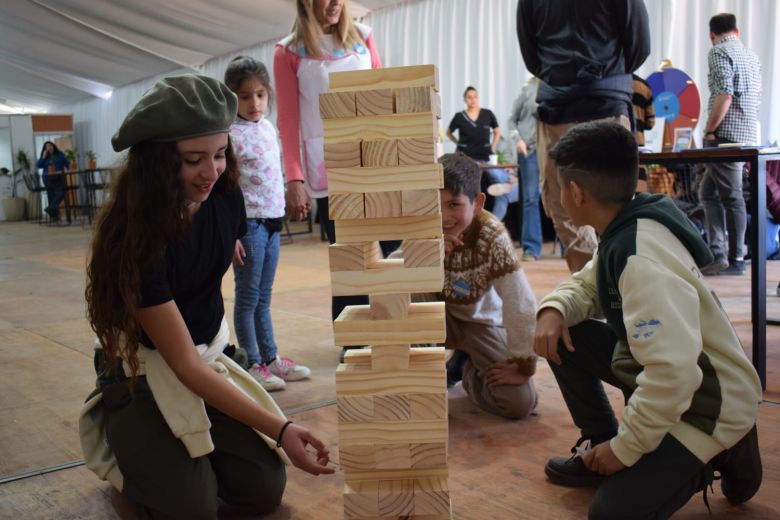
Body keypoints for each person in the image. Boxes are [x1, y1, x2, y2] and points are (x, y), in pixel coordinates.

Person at [79, 74, 333, 519]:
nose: (211, 171)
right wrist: (283, 426)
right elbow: (185, 367)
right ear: (157, 163)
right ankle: (127, 458)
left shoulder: (225, 195)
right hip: (147, 372)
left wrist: (228, 242)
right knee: (191, 508)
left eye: (219, 154)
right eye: (193, 159)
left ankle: (181, 459)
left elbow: (224, 237)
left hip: (205, 357)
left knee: (263, 490)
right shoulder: (137, 240)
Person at [534, 121, 762, 519]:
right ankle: (598, 446)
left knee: (610, 514)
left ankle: (727, 441)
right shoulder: (629, 224)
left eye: (555, 185)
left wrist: (626, 451)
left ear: (575, 192)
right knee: (564, 331)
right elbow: (587, 285)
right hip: (682, 378)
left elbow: (673, 377)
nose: (553, 194)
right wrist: (553, 309)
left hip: (707, 401)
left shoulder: (640, 260)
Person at [274, 0, 390, 351]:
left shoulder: (364, 37)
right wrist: (293, 178)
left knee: (391, 255)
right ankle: (354, 345)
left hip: (376, 164)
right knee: (350, 263)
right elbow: (289, 121)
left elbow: (382, 95)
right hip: (329, 172)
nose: (335, 3)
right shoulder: (288, 52)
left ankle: (392, 335)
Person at [516, 0, 650, 273]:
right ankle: (619, 287)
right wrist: (608, 69)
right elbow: (639, 45)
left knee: (564, 206)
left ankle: (593, 291)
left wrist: (561, 73)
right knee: (618, 201)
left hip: (560, 105)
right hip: (606, 100)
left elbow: (531, 56)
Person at [405, 152, 538, 419]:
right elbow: (392, 275)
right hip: (440, 319)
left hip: (482, 323)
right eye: (436, 204)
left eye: (454, 204)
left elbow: (520, 302)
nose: (443, 217)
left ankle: (467, 370)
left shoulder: (492, 236)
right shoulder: (422, 226)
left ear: (477, 204)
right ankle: (420, 378)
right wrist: (425, 257)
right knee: (408, 282)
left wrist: (524, 365)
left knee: (519, 403)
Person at [224, 56, 311, 392]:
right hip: (248, 225)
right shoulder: (229, 135)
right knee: (247, 297)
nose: (254, 103)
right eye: (245, 96)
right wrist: (232, 234)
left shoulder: (268, 128)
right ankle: (253, 364)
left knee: (264, 297)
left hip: (273, 221)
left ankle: (271, 358)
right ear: (232, 98)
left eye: (260, 94)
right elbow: (224, 189)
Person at [699, 13, 762, 276]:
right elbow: (755, 96)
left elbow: (724, 93)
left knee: (731, 196)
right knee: (708, 192)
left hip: (724, 134)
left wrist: (710, 129)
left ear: (712, 34)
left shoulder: (718, 52)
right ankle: (719, 254)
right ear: (737, 30)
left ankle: (735, 258)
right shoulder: (751, 56)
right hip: (747, 131)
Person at [446, 86, 516, 222]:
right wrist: (458, 143)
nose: (472, 100)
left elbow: (497, 132)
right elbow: (449, 133)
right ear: (465, 100)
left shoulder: (488, 114)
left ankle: (493, 223)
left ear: (478, 98)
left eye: (475, 97)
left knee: (504, 185)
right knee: (467, 190)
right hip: (467, 159)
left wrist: (492, 146)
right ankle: (470, 223)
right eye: (469, 97)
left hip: (486, 158)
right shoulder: (459, 117)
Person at [508, 77, 542, 261]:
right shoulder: (527, 88)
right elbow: (511, 121)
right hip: (529, 150)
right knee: (530, 199)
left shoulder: (560, 83)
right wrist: (518, 140)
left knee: (562, 195)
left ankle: (569, 246)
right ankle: (531, 248)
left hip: (554, 149)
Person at [35, 141, 69, 221]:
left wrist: (69, 168)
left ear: (53, 146)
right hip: (48, 178)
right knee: (51, 196)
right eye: (47, 146)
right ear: (45, 149)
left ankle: (50, 208)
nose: (49, 147)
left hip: (59, 177)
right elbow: (39, 165)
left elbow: (66, 162)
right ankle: (54, 216)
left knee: (62, 192)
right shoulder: (45, 157)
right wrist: (43, 157)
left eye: (50, 145)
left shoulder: (60, 154)